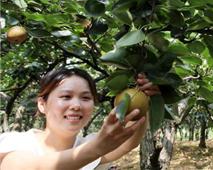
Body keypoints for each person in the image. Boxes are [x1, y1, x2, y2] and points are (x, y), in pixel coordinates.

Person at [0, 67, 161, 170]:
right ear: (42, 104)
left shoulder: (87, 144)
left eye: (85, 98)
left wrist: (143, 96)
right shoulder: (16, 142)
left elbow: (128, 141)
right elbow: (18, 165)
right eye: (66, 96)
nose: (76, 105)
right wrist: (96, 148)